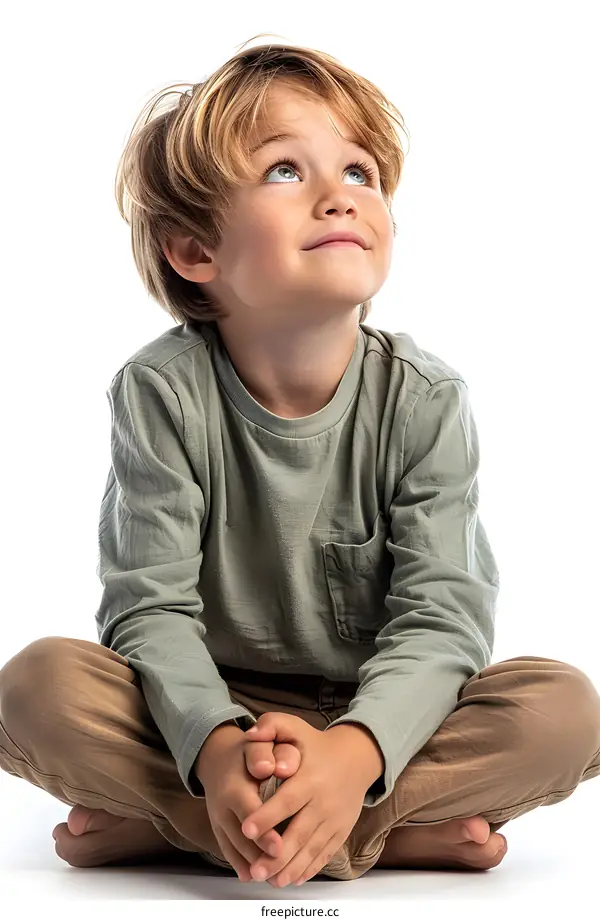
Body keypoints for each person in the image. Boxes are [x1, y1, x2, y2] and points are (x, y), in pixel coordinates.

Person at [1, 36, 599, 891]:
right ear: (195, 251)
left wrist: (353, 755)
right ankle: (370, 835)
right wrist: (215, 748)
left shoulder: (425, 399)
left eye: (360, 172)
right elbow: (149, 611)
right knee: (35, 687)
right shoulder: (161, 391)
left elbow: (443, 622)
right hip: (206, 714)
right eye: (285, 170)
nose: (339, 195)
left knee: (565, 713)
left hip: (381, 719)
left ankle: (194, 827)